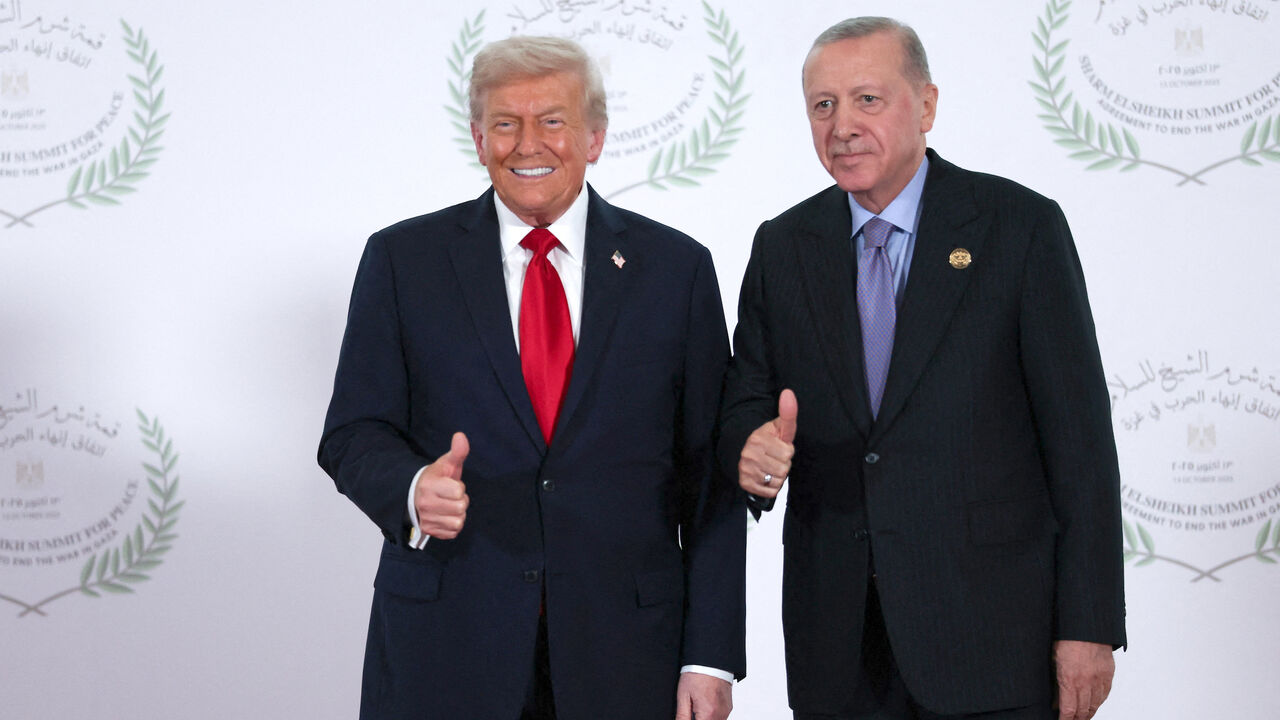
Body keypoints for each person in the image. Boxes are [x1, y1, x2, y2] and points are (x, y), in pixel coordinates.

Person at [319, 35, 744, 720]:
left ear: (595, 137)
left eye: (552, 120)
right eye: (506, 123)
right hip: (448, 645)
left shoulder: (677, 270)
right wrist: (411, 487)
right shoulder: (403, 261)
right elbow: (352, 432)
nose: (527, 144)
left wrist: (709, 655)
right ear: (478, 136)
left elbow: (709, 477)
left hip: (628, 653)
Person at [717, 17, 1125, 720]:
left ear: (926, 105)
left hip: (992, 643)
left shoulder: (1018, 230)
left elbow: (1081, 446)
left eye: (867, 100)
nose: (841, 125)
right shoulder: (784, 247)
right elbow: (744, 404)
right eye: (823, 105)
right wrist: (748, 451)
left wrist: (1088, 625)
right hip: (838, 650)